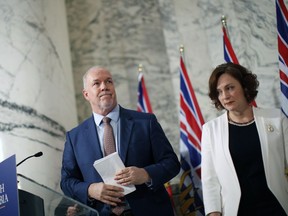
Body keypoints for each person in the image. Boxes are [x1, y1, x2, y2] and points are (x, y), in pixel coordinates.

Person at [60, 66, 180, 216]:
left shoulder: (145, 122)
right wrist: (90, 189)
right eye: (97, 83)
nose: (104, 87)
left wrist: (145, 174)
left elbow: (172, 163)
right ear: (86, 94)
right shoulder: (74, 137)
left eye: (108, 81)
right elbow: (67, 182)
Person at [201, 62, 288, 216]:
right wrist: (213, 213)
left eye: (230, 88)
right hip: (236, 211)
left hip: (276, 207)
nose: (225, 96)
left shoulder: (276, 118)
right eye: (219, 92)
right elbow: (210, 180)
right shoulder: (210, 130)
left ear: (245, 87)